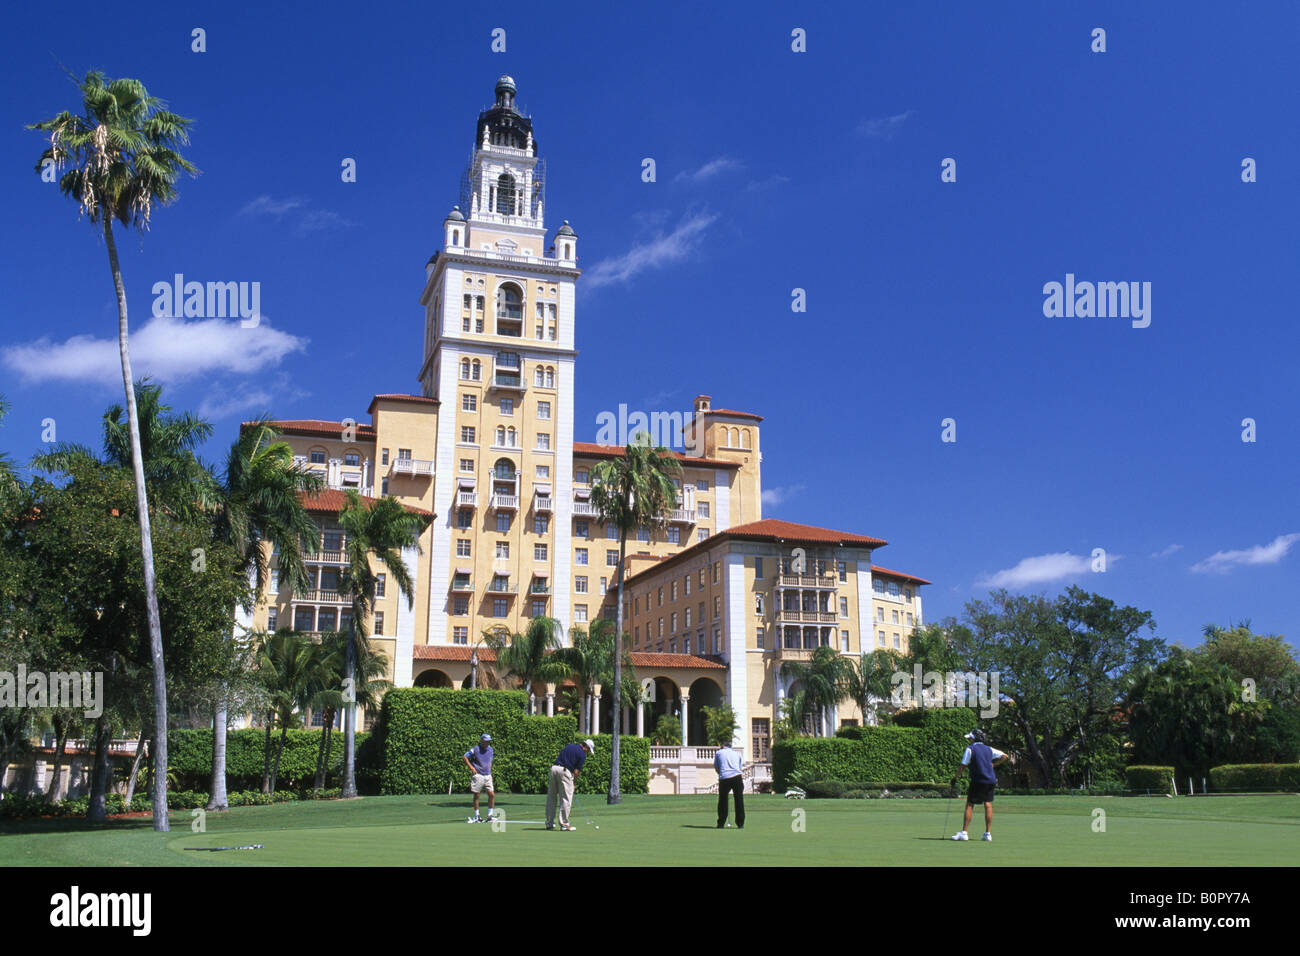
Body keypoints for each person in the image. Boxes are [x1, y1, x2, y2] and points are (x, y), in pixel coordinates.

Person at [950, 729, 1010, 841]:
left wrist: (955, 778)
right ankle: (987, 834)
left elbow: (963, 765)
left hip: (978, 780)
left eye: (970, 738)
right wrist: (994, 765)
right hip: (990, 780)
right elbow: (1005, 756)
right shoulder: (989, 749)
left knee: (970, 804)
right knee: (988, 804)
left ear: (974, 739)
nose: (969, 740)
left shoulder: (970, 749)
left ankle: (964, 833)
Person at [546, 738, 594, 831]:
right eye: (588, 750)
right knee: (566, 799)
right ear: (586, 747)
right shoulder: (582, 754)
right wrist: (574, 784)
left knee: (551, 797)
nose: (587, 752)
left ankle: (549, 823)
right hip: (565, 771)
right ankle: (564, 824)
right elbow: (576, 771)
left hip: (554, 769)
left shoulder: (570, 746)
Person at [462, 733, 496, 823]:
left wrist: (490, 771)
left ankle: (490, 816)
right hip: (478, 775)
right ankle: (477, 816)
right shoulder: (475, 749)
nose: (488, 743)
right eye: (486, 741)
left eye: (489, 741)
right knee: (477, 795)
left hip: (487, 775)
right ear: (482, 741)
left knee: (491, 794)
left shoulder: (491, 750)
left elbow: (490, 761)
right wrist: (472, 768)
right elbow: (465, 756)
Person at [713, 740, 745, 829]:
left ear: (723, 746)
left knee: (723, 800)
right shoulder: (737, 754)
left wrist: (721, 774)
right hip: (737, 777)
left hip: (724, 778)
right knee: (739, 800)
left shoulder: (719, 753)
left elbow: (716, 767)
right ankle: (740, 823)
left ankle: (721, 823)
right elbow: (739, 767)